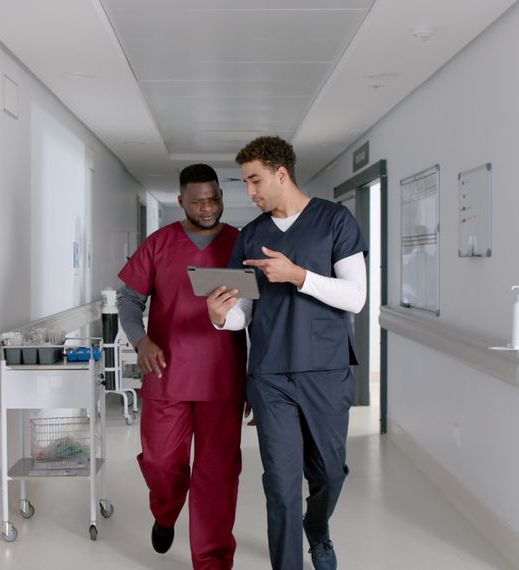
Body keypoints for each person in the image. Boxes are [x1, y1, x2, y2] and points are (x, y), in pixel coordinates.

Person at [207, 136, 367, 570]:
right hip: (270, 375)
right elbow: (243, 310)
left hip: (326, 371)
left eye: (255, 180)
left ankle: (317, 528)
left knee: (329, 474)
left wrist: (298, 276)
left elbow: (356, 297)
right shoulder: (251, 236)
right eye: (245, 183)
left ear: (282, 173)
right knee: (279, 484)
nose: (250, 192)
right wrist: (221, 316)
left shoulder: (335, 220)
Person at [116, 163, 248, 570]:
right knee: (161, 462)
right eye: (198, 201)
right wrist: (141, 340)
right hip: (166, 373)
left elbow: (261, 313)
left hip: (222, 378)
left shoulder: (241, 243)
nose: (207, 207)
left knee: (217, 476)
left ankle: (212, 560)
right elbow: (129, 301)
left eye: (214, 198)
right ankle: (166, 510)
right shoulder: (159, 244)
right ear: (181, 202)